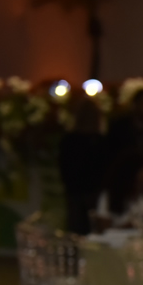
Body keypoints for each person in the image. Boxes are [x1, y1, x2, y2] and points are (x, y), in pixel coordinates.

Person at [58, 98, 111, 235]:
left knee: (79, 229)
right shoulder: (100, 141)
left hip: (80, 192)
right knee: (88, 230)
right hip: (86, 192)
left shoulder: (70, 141)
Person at [93, 151, 143, 234]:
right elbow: (103, 231)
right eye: (139, 182)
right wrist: (126, 228)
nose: (142, 187)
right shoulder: (109, 197)